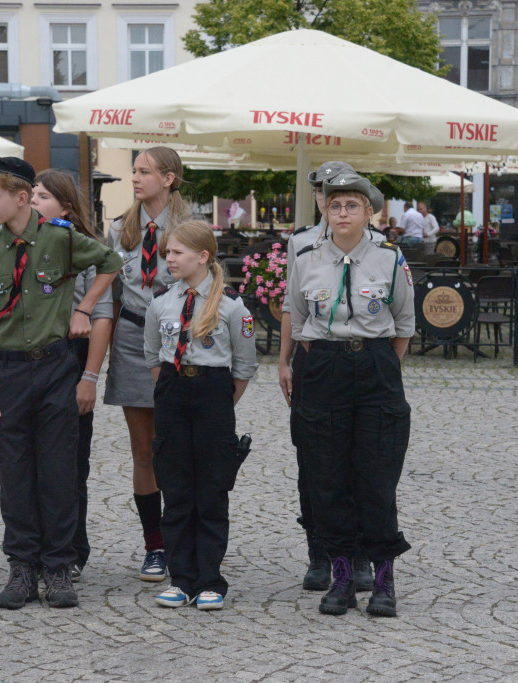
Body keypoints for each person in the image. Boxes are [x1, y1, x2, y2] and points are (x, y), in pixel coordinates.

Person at [0, 156, 123, 609]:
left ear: (20, 198)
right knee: (14, 472)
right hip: (8, 371)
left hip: (56, 367)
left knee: (57, 471)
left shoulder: (60, 240)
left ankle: (58, 566)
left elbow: (111, 261)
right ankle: (22, 567)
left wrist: (84, 306)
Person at [287, 172, 415, 618]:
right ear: (325, 210)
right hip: (324, 366)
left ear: (369, 213)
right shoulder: (305, 258)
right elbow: (301, 321)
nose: (342, 213)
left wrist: (373, 361)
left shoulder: (390, 259)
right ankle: (341, 579)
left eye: (352, 206)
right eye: (335, 205)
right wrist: (332, 358)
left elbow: (403, 325)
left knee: (376, 477)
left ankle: (383, 581)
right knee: (328, 478)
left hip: (377, 368)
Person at [279, 160, 384, 594]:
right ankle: (319, 552)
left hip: (359, 363)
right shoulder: (300, 244)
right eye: (323, 193)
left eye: (340, 195)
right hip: (312, 359)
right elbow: (290, 305)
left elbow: (397, 318)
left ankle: (358, 555)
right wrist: (284, 360)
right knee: (314, 459)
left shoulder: (377, 244)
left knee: (360, 460)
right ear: (318, 199)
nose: (330, 201)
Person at [144, 220, 257, 610]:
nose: (168, 258)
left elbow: (243, 367)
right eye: (167, 252)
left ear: (202, 256)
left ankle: (211, 579)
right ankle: (181, 578)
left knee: (211, 490)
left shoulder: (231, 306)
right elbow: (152, 354)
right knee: (175, 490)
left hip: (213, 394)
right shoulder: (161, 302)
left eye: (176, 252)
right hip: (173, 391)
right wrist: (175, 389)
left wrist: (220, 403)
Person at [103, 146, 192, 582]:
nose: (135, 179)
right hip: (133, 337)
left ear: (169, 178)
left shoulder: (191, 229)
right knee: (143, 450)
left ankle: (184, 539)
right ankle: (154, 546)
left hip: (181, 339)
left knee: (177, 447)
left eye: (144, 172)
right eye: (134, 171)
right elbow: (111, 294)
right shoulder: (121, 229)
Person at [29, 168, 113, 580]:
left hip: (72, 355)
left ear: (65, 206)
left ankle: (71, 549)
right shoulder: (18, 244)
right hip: (26, 358)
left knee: (71, 462)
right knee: (28, 461)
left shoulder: (85, 249)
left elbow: (101, 317)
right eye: (30, 195)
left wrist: (90, 378)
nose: (32, 202)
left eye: (42, 197)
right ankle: (32, 548)